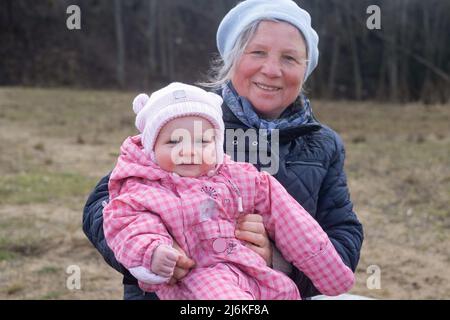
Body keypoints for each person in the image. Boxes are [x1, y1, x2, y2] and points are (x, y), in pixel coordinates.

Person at [83, 0, 363, 299]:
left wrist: (277, 261)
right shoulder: (188, 119)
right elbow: (104, 204)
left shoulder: (323, 143)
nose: (271, 70)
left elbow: (343, 234)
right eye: (257, 52)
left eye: (290, 58)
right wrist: (151, 250)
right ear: (232, 58)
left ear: (305, 69)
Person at [102, 82, 355, 300]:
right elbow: (128, 225)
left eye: (203, 141)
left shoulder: (240, 176)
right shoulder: (143, 188)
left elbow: (292, 220)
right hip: (202, 278)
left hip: (257, 272)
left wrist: (328, 269)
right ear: (151, 147)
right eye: (174, 141)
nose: (189, 150)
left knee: (286, 292)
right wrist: (153, 253)